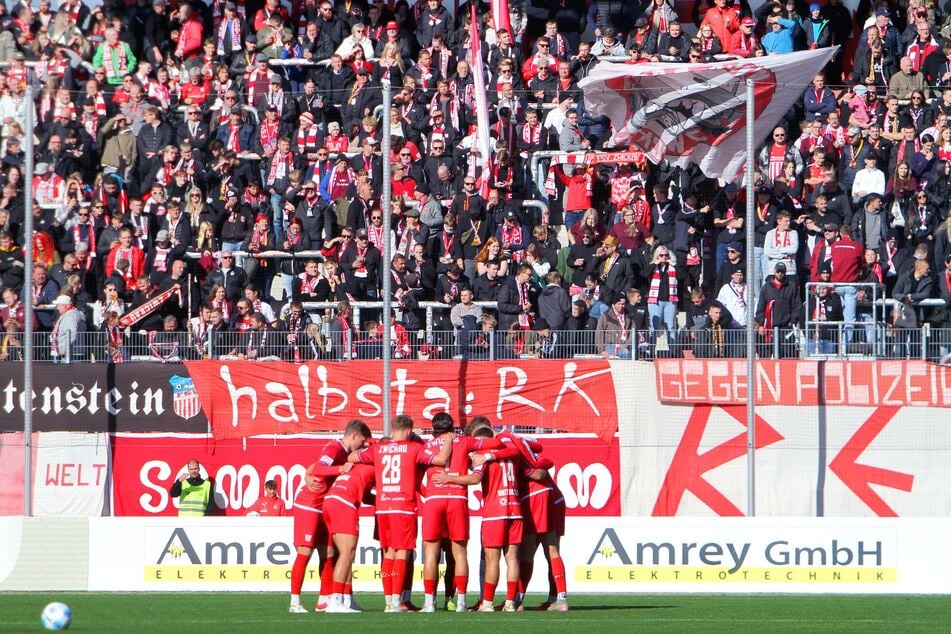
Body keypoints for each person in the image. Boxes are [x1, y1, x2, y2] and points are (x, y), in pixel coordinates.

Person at [351, 415, 452, 613]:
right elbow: (440, 459)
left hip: (382, 507)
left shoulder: (379, 449)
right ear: (409, 430)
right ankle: (397, 602)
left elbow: (352, 457)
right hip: (403, 507)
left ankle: (389, 600)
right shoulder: (413, 448)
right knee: (402, 553)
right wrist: (448, 440)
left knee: (388, 553)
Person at [289, 419, 371, 614]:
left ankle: (324, 601)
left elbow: (310, 469)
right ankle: (294, 602)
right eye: (362, 440)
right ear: (354, 436)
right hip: (309, 505)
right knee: (305, 553)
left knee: (329, 555)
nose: (362, 445)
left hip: (326, 507)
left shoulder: (346, 453)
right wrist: (339, 469)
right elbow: (317, 468)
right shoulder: (334, 447)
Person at [50, 294, 85, 363]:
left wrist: (65, 349)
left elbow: (72, 334)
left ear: (64, 306)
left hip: (70, 356)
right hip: (72, 354)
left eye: (58, 305)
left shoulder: (70, 316)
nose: (57, 308)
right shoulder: (71, 314)